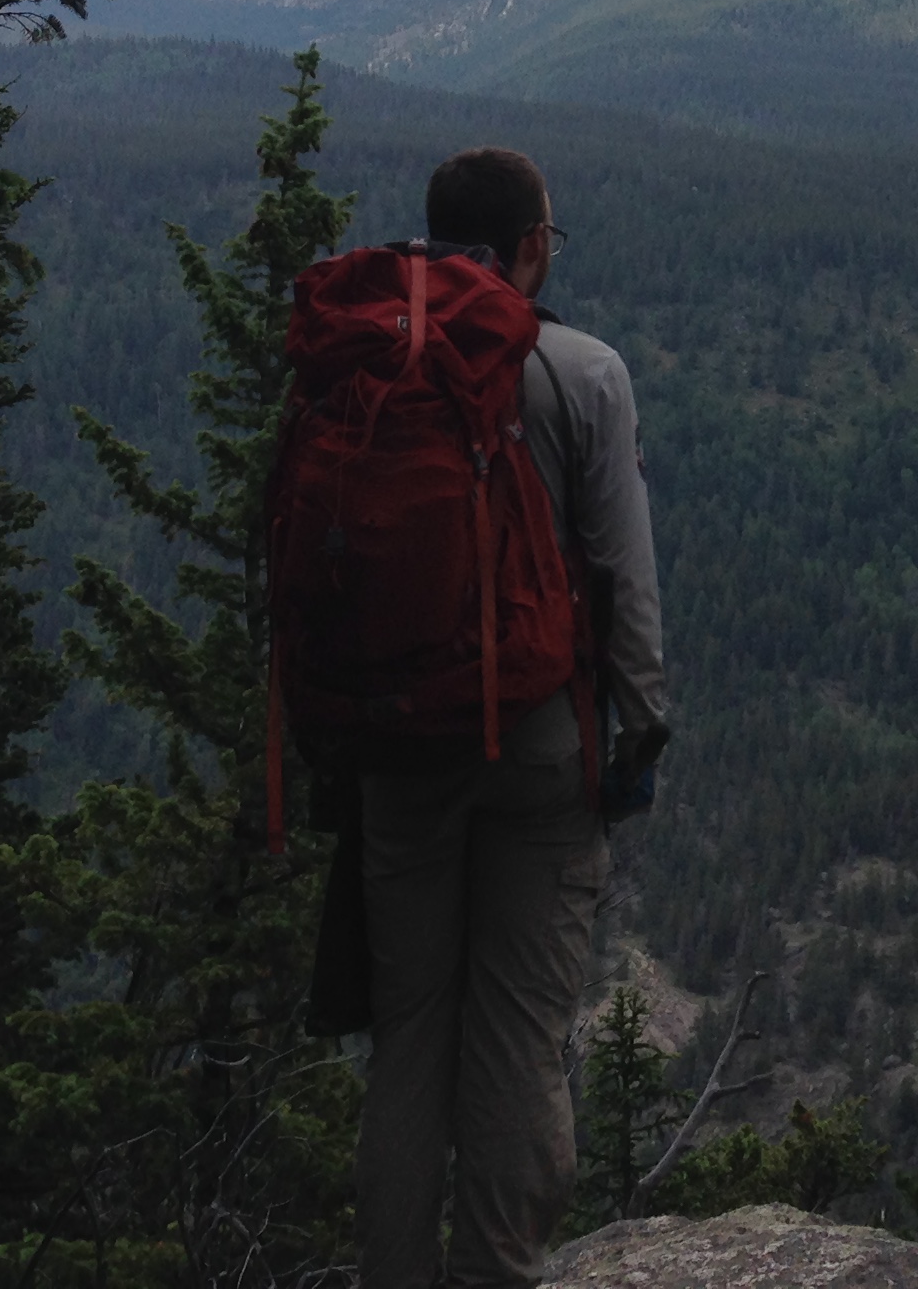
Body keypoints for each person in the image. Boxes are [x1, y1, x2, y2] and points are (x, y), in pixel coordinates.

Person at [355, 144, 670, 1289]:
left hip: (393, 748)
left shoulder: (368, 366)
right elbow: (624, 581)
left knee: (410, 1037)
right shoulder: (583, 371)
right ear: (533, 247)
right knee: (520, 1041)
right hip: (540, 748)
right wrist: (642, 731)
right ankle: (499, 1273)